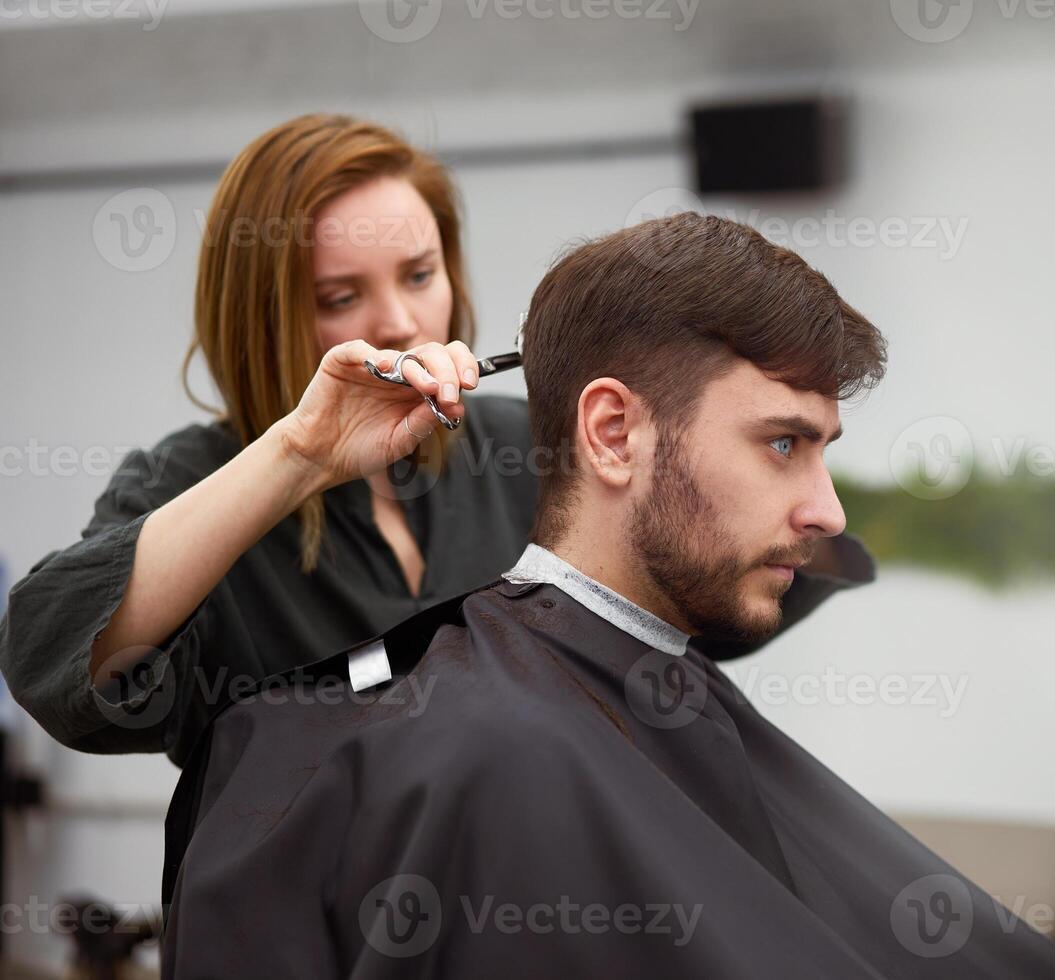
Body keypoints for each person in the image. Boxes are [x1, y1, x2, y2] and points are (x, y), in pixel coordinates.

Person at [160, 214, 1055, 979]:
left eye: (824, 450)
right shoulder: (478, 751)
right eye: (782, 443)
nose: (825, 510)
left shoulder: (636, 697)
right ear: (613, 433)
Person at [0, 115, 874, 769]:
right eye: (340, 297)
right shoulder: (193, 480)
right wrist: (301, 452)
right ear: (261, 313)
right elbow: (53, 659)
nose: (401, 320)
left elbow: (708, 575)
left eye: (421, 275)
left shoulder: (530, 445)